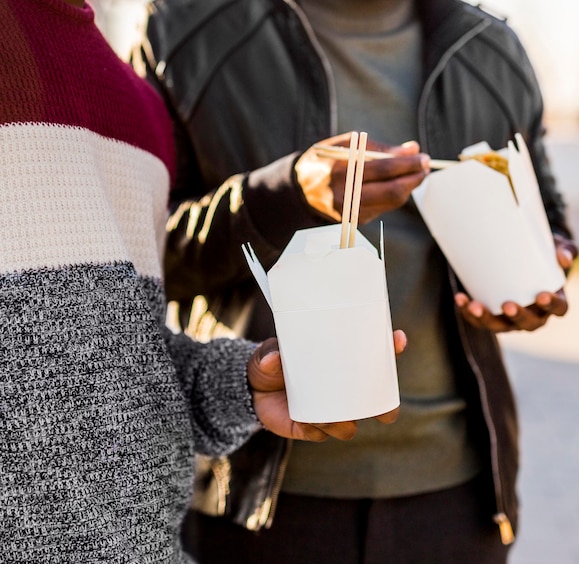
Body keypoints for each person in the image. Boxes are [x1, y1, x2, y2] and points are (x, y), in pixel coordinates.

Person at [140, 0, 578, 562]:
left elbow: (547, 213)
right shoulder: (185, 32)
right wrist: (283, 195)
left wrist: (539, 273)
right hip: (255, 497)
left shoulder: (490, 49)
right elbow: (138, 257)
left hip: (455, 498)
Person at [0, 1, 406, 561]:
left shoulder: (134, 103)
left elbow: (99, 364)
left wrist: (234, 385)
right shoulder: (180, 41)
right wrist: (282, 196)